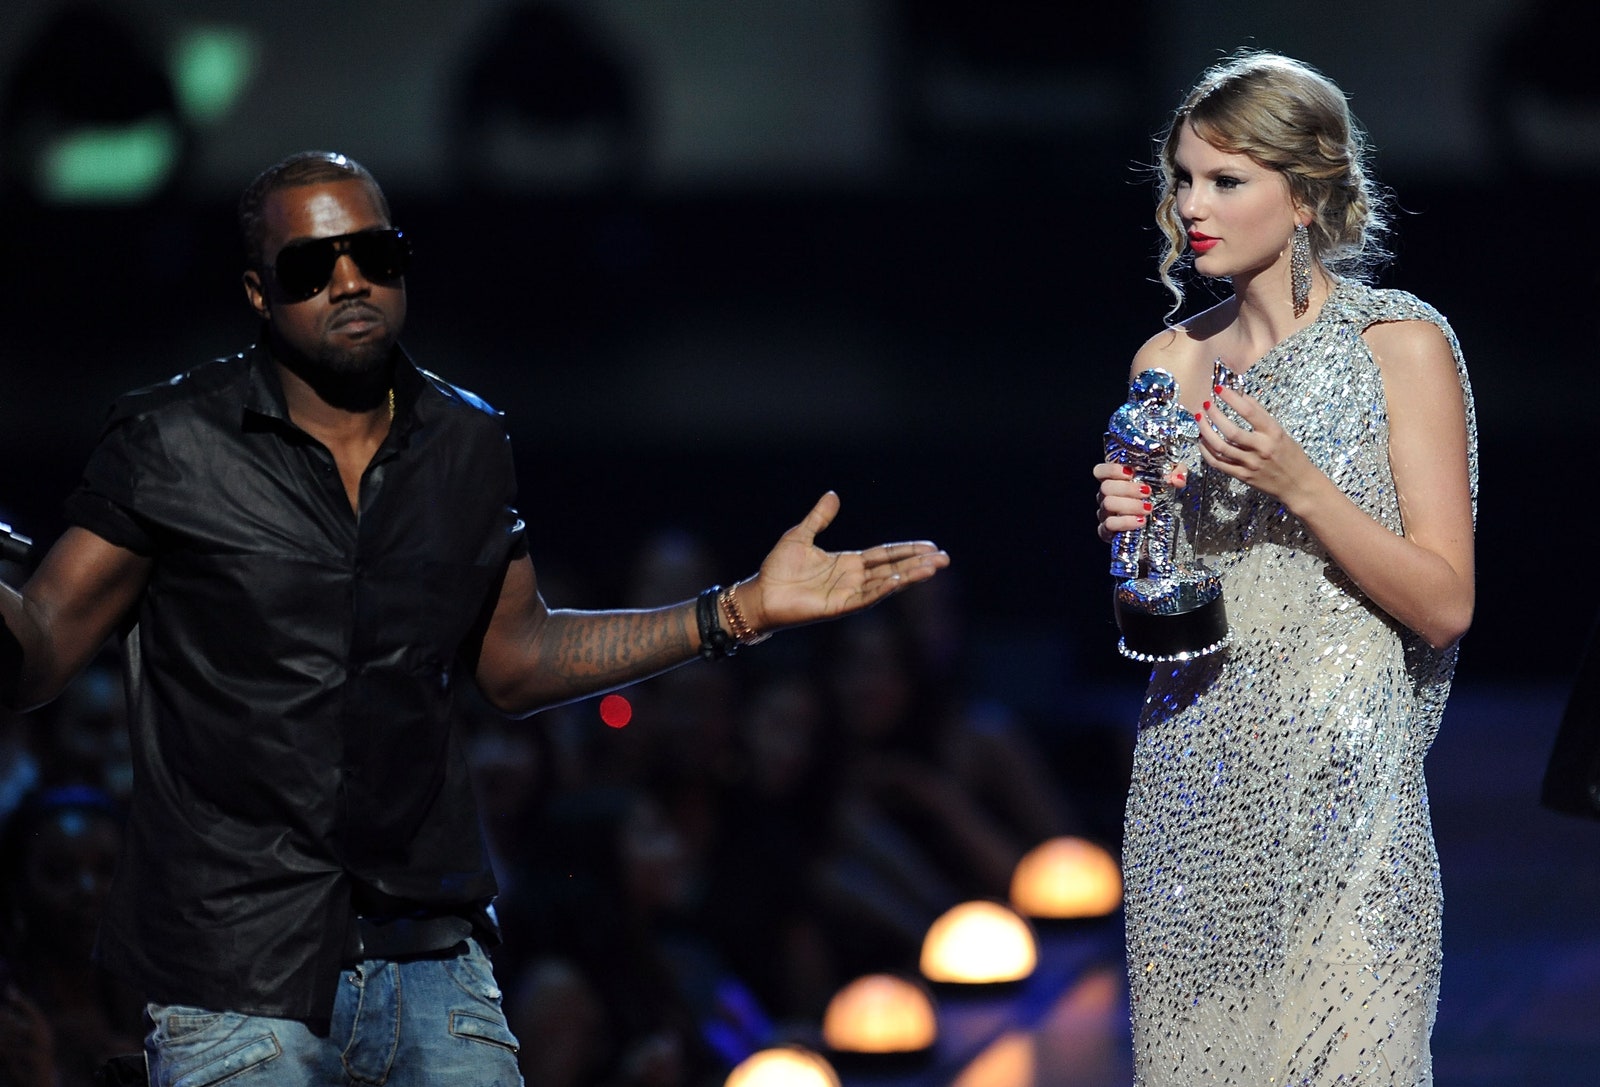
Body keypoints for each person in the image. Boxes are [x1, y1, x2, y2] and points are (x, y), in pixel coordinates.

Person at [0, 149, 949, 1087]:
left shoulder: (464, 440)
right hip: (236, 974)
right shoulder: (169, 444)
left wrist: (736, 610)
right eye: (309, 267)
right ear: (257, 292)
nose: (348, 281)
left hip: (433, 959)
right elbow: (38, 654)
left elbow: (517, 656)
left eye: (375, 253)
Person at [1092, 52, 1476, 1086]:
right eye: (1182, 178)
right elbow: (1156, 609)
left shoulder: (1398, 345)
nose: (1191, 207)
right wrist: (1133, 541)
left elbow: (1444, 604)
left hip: (1347, 777)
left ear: (1304, 195)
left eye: (1225, 180)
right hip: (1193, 772)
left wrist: (1300, 483)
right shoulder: (1165, 364)